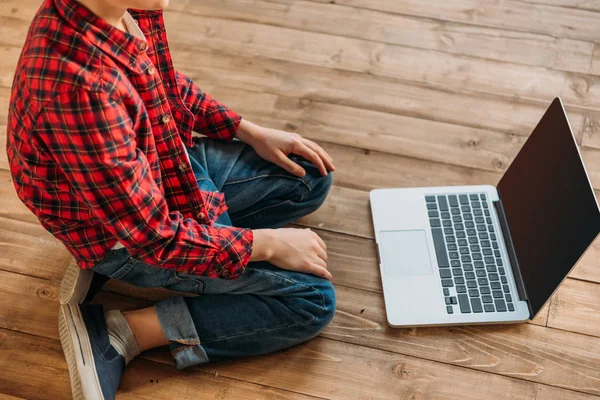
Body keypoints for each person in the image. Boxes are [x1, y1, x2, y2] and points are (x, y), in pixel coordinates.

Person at [6, 0, 336, 398]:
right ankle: (123, 333)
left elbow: (159, 82)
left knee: (308, 173)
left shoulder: (119, 7)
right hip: (131, 234)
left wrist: (248, 130)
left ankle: (202, 244)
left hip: (165, 168)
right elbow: (153, 236)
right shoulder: (79, 88)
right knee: (312, 299)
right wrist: (264, 243)